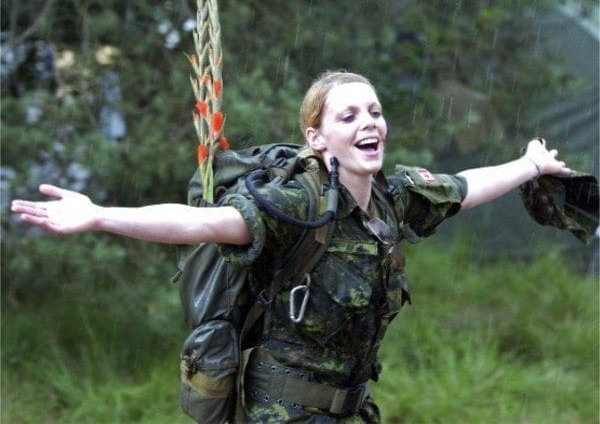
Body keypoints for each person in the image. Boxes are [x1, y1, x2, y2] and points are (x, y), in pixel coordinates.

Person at [11, 71, 571, 423]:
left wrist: (530, 165)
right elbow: (200, 223)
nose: (369, 122)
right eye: (348, 115)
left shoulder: (393, 198)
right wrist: (98, 216)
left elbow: (467, 188)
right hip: (283, 412)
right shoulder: (296, 205)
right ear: (316, 137)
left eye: (374, 111)